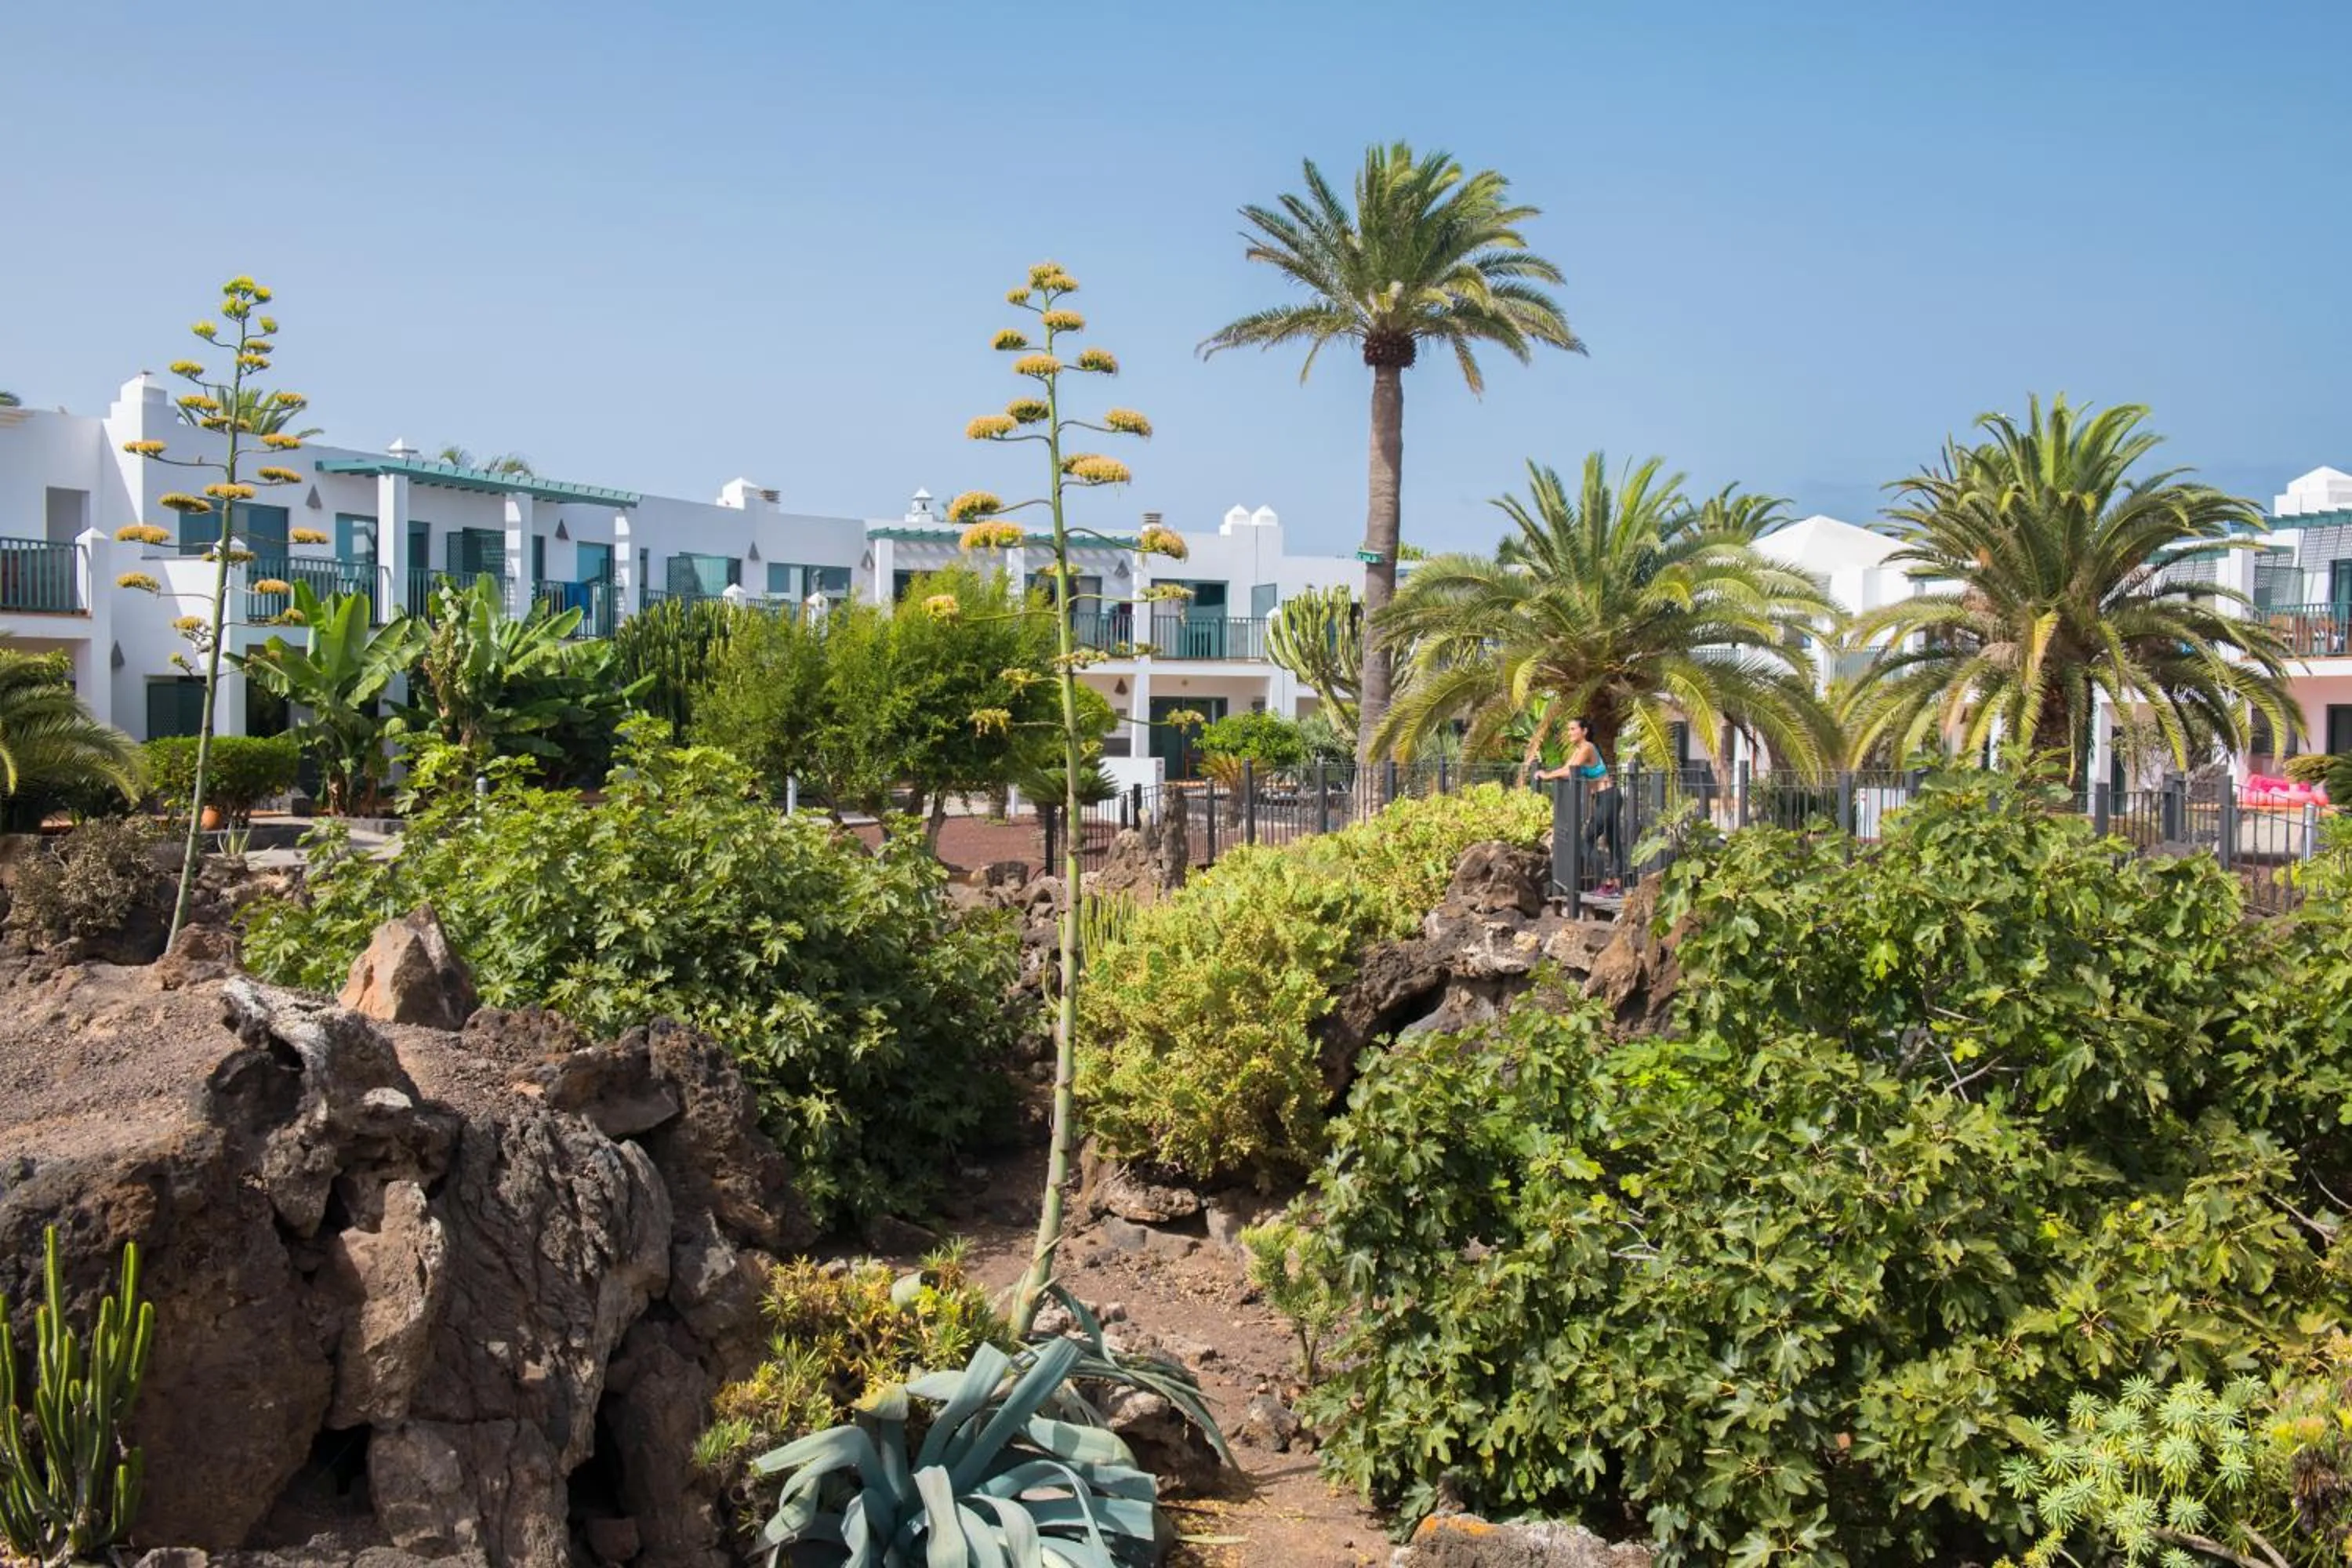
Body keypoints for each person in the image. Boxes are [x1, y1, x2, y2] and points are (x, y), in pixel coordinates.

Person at [1532, 717, 1621, 895]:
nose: (1570, 733)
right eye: (1569, 729)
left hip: (1609, 797)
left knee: (1587, 840)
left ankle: (1608, 882)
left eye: (1573, 729)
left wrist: (1546, 775)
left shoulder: (1587, 747)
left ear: (1584, 731)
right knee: (1612, 841)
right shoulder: (1579, 749)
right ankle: (1616, 886)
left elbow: (1569, 770)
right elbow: (1568, 768)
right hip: (1603, 798)